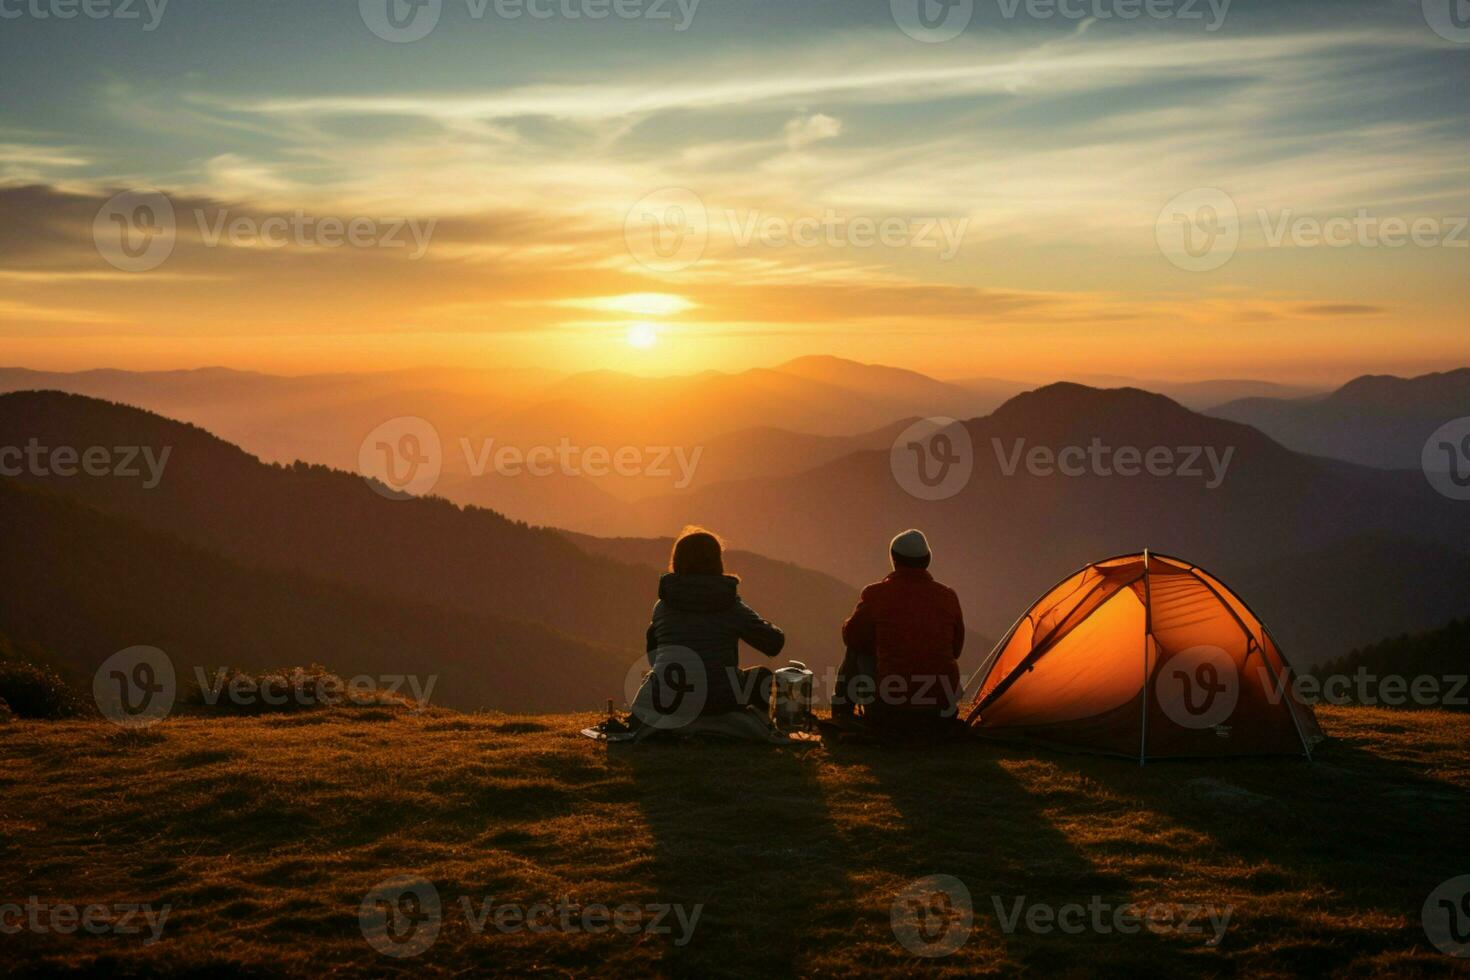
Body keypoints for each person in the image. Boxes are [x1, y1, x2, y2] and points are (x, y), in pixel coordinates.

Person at [643, 526, 785, 722]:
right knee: (761, 676)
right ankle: (758, 726)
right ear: (716, 562)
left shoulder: (662, 607)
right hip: (719, 702)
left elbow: (653, 656)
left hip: (670, 700)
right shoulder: (730, 606)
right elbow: (774, 643)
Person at [833, 529, 965, 732]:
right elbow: (955, 650)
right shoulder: (947, 596)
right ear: (927, 559)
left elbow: (852, 636)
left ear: (894, 559)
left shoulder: (876, 594)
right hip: (941, 710)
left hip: (890, 710)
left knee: (855, 649)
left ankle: (842, 710)